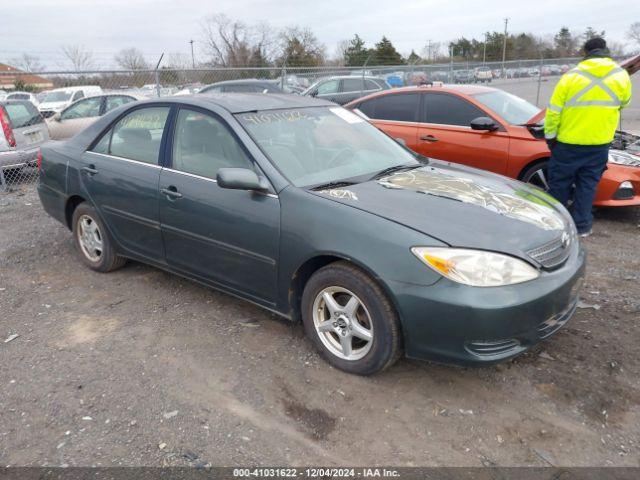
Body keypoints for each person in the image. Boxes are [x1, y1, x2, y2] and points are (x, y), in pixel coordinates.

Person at [544, 37, 632, 237]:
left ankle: (555, 227)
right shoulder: (621, 76)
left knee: (559, 185)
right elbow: (624, 102)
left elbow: (553, 112)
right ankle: (582, 227)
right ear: (605, 50)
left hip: (568, 143)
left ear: (586, 52)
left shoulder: (571, 76)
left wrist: (550, 137)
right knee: (587, 186)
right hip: (599, 144)